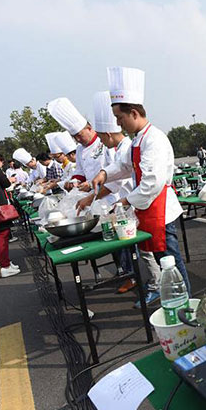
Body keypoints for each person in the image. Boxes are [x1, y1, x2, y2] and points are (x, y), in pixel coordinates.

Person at [91, 66, 190, 308]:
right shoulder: (140, 139)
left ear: (134, 113)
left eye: (120, 118)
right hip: (150, 209)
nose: (119, 124)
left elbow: (152, 182)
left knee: (170, 263)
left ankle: (185, 304)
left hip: (161, 210)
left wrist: (124, 201)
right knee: (163, 260)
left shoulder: (154, 139)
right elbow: (125, 166)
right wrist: (104, 173)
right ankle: (177, 301)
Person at [77, 90, 135, 293]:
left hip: (127, 201)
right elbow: (114, 171)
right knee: (127, 245)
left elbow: (119, 180)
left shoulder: (128, 147)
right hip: (121, 202)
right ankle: (130, 274)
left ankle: (136, 277)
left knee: (137, 248)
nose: (100, 142)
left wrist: (92, 194)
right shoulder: (119, 148)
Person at [48, 97, 112, 197]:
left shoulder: (105, 143)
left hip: (111, 193)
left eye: (79, 135)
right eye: (74, 137)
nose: (77, 139)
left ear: (89, 128)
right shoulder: (79, 149)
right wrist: (75, 181)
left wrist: (91, 184)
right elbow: (80, 171)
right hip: (93, 195)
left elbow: (115, 171)